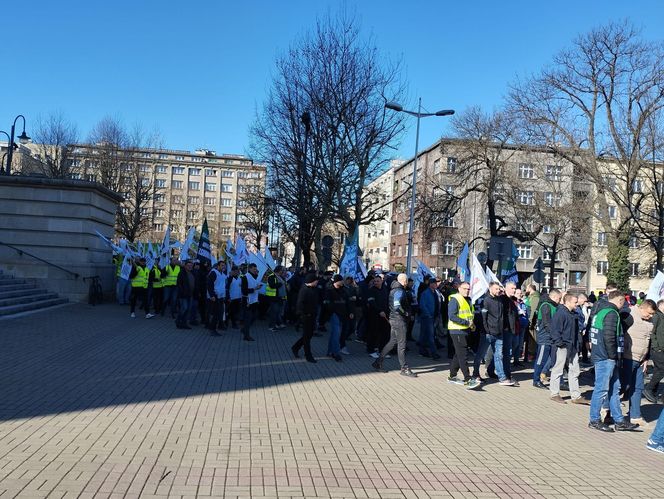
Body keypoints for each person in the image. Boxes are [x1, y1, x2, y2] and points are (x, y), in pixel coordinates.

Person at [588, 290, 639, 432]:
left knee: (614, 388)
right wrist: (612, 356)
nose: (623, 305)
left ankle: (619, 420)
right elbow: (609, 336)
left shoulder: (601, 311)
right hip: (606, 357)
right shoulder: (611, 313)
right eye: (623, 302)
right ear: (620, 301)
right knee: (602, 388)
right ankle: (594, 419)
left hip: (603, 355)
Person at [372, 273, 417, 377]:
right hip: (399, 320)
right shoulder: (399, 291)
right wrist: (405, 313)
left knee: (392, 342)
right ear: (404, 281)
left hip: (394, 319)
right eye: (406, 281)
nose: (407, 283)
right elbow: (397, 306)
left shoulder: (394, 289)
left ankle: (378, 362)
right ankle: (404, 368)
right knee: (402, 344)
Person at [621, 299, 656, 425]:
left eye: (652, 314)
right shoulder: (629, 314)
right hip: (628, 356)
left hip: (641, 359)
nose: (650, 316)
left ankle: (635, 415)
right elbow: (620, 333)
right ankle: (605, 409)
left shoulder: (650, 321)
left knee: (637, 387)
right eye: (649, 313)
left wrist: (646, 358)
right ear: (642, 308)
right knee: (622, 386)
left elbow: (648, 340)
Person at [549, 293, 587, 404]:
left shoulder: (573, 314)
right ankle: (554, 393)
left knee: (575, 370)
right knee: (558, 369)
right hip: (563, 345)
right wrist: (560, 343)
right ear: (568, 302)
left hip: (573, 346)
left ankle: (576, 395)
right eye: (575, 302)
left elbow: (575, 331)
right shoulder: (560, 313)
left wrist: (577, 342)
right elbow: (554, 330)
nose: (577, 304)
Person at [447, 281, 481, 389]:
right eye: (465, 288)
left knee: (459, 354)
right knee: (463, 355)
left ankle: (452, 376)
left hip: (465, 330)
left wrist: (472, 325)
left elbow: (469, 315)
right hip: (457, 330)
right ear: (459, 288)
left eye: (468, 289)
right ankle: (468, 379)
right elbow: (452, 316)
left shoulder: (468, 300)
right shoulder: (455, 299)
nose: (467, 291)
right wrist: (466, 323)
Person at [481, 282, 516, 386]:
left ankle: (492, 371)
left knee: (498, 354)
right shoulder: (499, 300)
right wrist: (488, 330)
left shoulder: (508, 300)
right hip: (499, 330)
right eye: (512, 288)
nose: (514, 290)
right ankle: (505, 376)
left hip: (505, 330)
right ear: (505, 288)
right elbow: (489, 317)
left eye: (515, 288)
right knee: (502, 354)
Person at [532, 289, 562, 388]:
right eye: (559, 298)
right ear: (553, 297)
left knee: (551, 359)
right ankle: (536, 380)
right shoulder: (546, 306)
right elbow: (546, 323)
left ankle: (545, 377)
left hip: (551, 337)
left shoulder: (554, 306)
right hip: (545, 337)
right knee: (541, 359)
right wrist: (554, 334)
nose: (560, 300)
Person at [322, 275, 352, 362]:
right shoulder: (329, 291)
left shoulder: (344, 291)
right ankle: (336, 353)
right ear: (336, 281)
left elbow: (348, 302)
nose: (342, 282)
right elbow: (326, 303)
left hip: (343, 315)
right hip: (334, 314)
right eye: (340, 280)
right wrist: (334, 309)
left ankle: (330, 351)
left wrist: (350, 312)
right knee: (336, 333)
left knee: (334, 334)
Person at [292, 272, 319, 363]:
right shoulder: (304, 290)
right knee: (307, 337)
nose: (317, 283)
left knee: (308, 335)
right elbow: (300, 304)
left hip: (312, 315)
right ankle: (308, 355)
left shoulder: (313, 289)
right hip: (306, 316)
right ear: (311, 281)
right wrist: (302, 315)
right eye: (316, 281)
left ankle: (295, 347)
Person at [644, 299, 664, 403]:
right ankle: (649, 389)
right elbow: (652, 332)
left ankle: (653, 392)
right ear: (661, 306)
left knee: (658, 370)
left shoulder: (661, 316)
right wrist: (657, 347)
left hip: (660, 348)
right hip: (657, 349)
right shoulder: (656, 316)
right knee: (661, 370)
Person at [366, 274, 390, 358]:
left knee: (385, 333)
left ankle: (382, 350)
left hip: (385, 315)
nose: (376, 282)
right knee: (374, 332)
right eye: (375, 281)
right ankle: (371, 350)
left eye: (378, 281)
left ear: (382, 281)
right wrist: (379, 311)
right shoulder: (371, 290)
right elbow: (372, 302)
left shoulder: (385, 290)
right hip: (374, 315)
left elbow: (387, 302)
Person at [419, 278, 441, 360]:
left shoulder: (435, 292)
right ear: (430, 284)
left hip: (434, 316)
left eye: (436, 283)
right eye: (434, 283)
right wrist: (428, 314)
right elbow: (422, 305)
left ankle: (422, 350)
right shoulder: (425, 293)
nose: (436, 285)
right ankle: (434, 353)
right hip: (427, 317)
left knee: (425, 334)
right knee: (430, 335)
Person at [240, 263, 263, 341]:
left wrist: (258, 287)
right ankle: (246, 336)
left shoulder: (255, 277)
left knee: (254, 317)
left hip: (254, 301)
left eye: (256, 269)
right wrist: (255, 289)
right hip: (247, 301)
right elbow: (244, 291)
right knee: (248, 318)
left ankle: (244, 329)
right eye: (254, 269)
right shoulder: (245, 277)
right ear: (249, 269)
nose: (255, 270)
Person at [206, 260, 227, 336]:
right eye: (222, 265)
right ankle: (212, 329)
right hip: (215, 297)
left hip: (221, 297)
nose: (223, 267)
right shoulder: (214, 272)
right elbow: (209, 285)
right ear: (218, 266)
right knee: (216, 314)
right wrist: (212, 295)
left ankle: (214, 327)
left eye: (224, 265)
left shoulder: (222, 274)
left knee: (220, 313)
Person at [175, 260, 195, 329]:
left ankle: (184, 323)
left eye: (191, 266)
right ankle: (178, 321)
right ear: (185, 266)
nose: (190, 267)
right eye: (188, 266)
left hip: (190, 294)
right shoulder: (181, 273)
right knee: (184, 308)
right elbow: (179, 284)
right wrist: (182, 292)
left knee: (188, 309)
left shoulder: (192, 273)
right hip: (183, 295)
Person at [266, 265, 286, 332]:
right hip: (273, 297)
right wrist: (280, 284)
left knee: (277, 312)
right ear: (279, 270)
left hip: (279, 297)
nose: (283, 271)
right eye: (282, 270)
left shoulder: (280, 277)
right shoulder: (271, 276)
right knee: (274, 312)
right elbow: (272, 286)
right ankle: (271, 327)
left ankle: (277, 324)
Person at [524, 284, 540, 361]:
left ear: (530, 288)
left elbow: (533, 310)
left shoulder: (535, 297)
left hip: (532, 321)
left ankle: (532, 354)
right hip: (528, 319)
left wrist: (530, 321)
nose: (525, 289)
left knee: (532, 339)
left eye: (527, 287)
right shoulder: (530, 296)